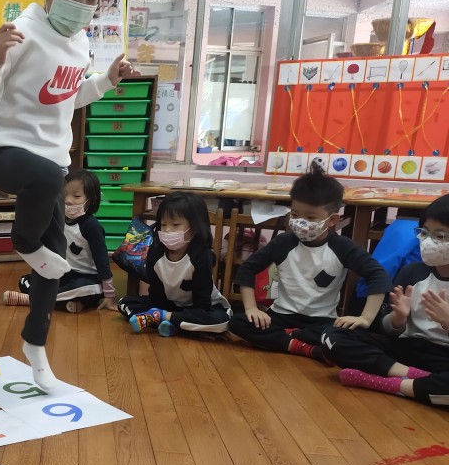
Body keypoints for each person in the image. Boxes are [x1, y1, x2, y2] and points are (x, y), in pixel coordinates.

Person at [0, 0, 138, 390]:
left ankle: (35, 347)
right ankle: (24, 242)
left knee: (55, 263)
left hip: (50, 164)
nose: (82, 5)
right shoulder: (22, 32)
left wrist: (107, 79)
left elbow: (68, 97)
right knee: (45, 191)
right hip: (7, 153)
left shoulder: (79, 42)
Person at [228, 163, 391, 361]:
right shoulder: (283, 242)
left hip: (322, 322)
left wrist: (365, 318)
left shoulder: (343, 247)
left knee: (349, 335)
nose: (300, 222)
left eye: (311, 217)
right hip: (280, 317)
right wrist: (251, 308)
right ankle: (301, 345)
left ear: (332, 220)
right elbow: (247, 268)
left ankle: (285, 339)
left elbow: (378, 276)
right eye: (295, 215)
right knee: (237, 322)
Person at [322, 194, 449, 406]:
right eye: (424, 233)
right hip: (406, 350)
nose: (428, 242)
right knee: (332, 335)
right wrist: (397, 319)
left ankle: (383, 382)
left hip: (444, 358)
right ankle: (414, 378)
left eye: (440, 236)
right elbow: (386, 329)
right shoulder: (413, 272)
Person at [3, 169, 118, 314]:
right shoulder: (58, 219)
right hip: (65, 273)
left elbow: (102, 261)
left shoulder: (92, 227)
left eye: (77, 196)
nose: (68, 200)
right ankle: (71, 303)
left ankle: (33, 300)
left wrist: (109, 295)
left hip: (88, 279)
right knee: (25, 280)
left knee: (87, 289)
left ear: (90, 200)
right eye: (64, 194)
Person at [117, 191, 231, 337]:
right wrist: (160, 309)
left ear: (195, 227)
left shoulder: (202, 256)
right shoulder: (155, 252)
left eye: (176, 225)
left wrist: (166, 314)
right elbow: (156, 293)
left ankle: (167, 319)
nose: (167, 230)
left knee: (223, 320)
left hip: (201, 308)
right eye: (163, 224)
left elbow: (202, 302)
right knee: (124, 302)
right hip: (169, 306)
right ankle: (175, 323)